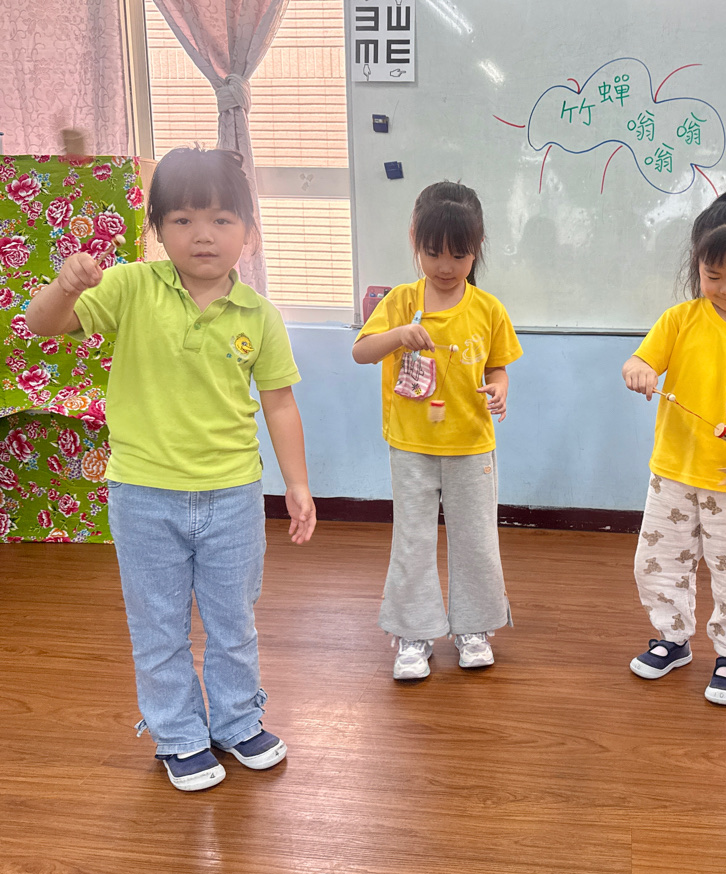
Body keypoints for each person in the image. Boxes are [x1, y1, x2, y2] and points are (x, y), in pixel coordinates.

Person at [26, 147, 316, 792]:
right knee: (158, 626)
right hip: (143, 494)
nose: (202, 234)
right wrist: (66, 285)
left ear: (249, 232)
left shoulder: (260, 315)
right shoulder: (130, 287)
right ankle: (179, 735)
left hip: (233, 495)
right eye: (182, 220)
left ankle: (237, 721)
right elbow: (41, 325)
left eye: (220, 219)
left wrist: (297, 484)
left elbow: (279, 402)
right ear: (157, 230)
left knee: (233, 621)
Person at [622, 187, 726, 705]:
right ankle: (672, 639)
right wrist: (638, 369)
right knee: (658, 561)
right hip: (672, 470)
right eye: (712, 275)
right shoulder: (681, 319)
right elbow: (642, 359)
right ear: (697, 265)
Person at [352, 181, 522, 680]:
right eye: (433, 253)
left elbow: (498, 367)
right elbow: (361, 352)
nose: (445, 266)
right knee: (412, 540)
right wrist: (398, 335)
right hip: (411, 446)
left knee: (476, 540)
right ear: (415, 241)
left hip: (471, 446)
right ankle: (413, 634)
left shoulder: (488, 309)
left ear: (477, 247)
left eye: (459, 255)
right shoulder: (400, 301)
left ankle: (475, 628)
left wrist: (500, 389)